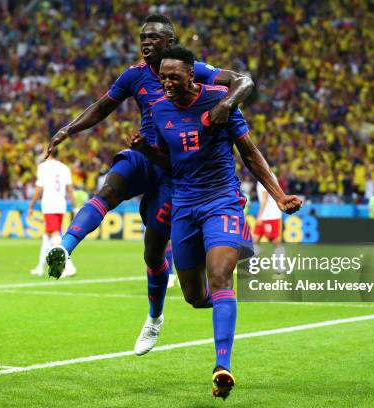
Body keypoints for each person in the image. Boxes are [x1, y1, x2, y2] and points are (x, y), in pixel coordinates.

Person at [44, 14, 254, 356]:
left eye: (154, 38)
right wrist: (68, 129)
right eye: (143, 37)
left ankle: (155, 318)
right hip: (144, 154)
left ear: (170, 43)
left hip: (175, 172)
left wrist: (226, 104)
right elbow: (103, 107)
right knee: (109, 189)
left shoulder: (192, 70)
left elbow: (243, 81)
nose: (145, 42)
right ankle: (65, 248)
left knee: (154, 252)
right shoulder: (134, 75)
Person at [126, 46, 302, 399]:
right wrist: (146, 151)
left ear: (192, 74)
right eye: (162, 77)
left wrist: (279, 195)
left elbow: (249, 152)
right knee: (194, 295)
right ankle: (226, 304)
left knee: (220, 275)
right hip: (184, 206)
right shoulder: (159, 110)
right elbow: (168, 160)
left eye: (173, 76)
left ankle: (222, 366)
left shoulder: (219, 100)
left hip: (222, 200)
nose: (167, 83)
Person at [28, 152, 77, 277]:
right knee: (47, 236)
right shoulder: (64, 167)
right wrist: (75, 206)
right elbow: (70, 190)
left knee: (55, 235)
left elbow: (39, 189)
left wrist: (32, 205)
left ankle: (69, 267)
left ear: (48, 153)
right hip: (61, 203)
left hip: (49, 204)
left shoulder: (43, 167)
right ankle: (39, 268)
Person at [253, 176, 285, 264]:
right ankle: (252, 265)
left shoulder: (264, 177)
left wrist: (259, 216)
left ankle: (280, 266)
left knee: (276, 242)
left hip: (271, 215)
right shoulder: (267, 175)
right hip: (267, 215)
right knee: (255, 240)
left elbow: (264, 199)